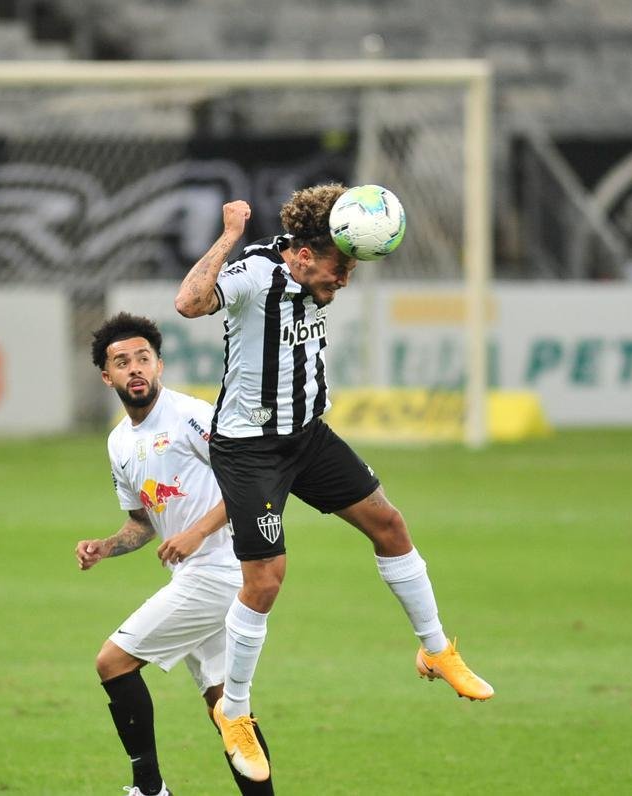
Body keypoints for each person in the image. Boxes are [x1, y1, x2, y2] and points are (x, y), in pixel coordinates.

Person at [174, 185, 494, 782]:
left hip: (307, 436)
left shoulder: (308, 259)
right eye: (338, 269)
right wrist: (229, 235)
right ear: (302, 256)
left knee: (390, 525)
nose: (343, 281)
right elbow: (189, 302)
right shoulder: (254, 274)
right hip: (250, 449)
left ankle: (435, 650)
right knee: (265, 580)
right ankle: (234, 712)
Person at [76, 312, 275, 796]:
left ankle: (149, 788)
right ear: (107, 377)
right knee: (227, 709)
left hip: (221, 571)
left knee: (112, 661)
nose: (135, 368)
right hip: (195, 575)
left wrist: (196, 533)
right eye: (122, 362)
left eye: (143, 358)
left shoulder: (193, 416)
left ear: (159, 365)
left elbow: (251, 483)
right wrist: (106, 547)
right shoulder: (119, 442)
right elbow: (143, 522)